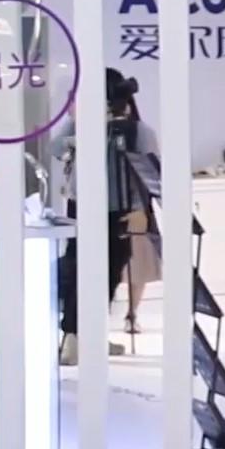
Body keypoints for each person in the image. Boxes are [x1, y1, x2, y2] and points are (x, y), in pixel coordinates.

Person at [53, 68, 160, 365]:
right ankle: (73, 336)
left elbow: (147, 174)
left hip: (120, 210)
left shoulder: (137, 131)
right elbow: (55, 148)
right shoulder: (81, 125)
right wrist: (78, 126)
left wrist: (139, 209)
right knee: (80, 270)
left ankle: (92, 336)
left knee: (110, 272)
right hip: (82, 207)